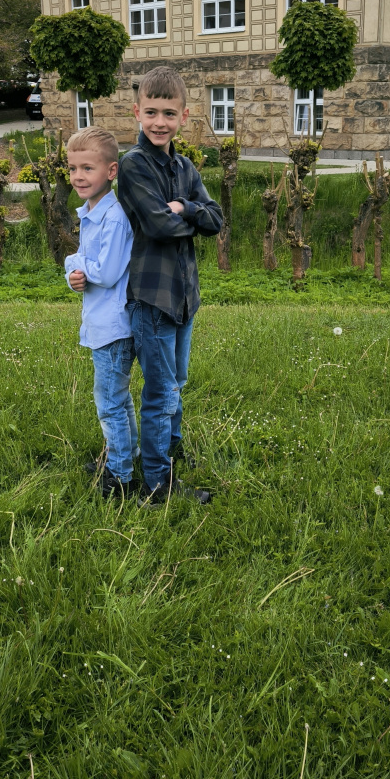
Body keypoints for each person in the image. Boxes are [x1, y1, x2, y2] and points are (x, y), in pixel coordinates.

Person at [116, 66, 222, 505]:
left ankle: (171, 454)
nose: (160, 122)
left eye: (170, 114)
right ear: (137, 112)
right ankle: (158, 484)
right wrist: (188, 214)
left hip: (184, 297)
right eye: (152, 113)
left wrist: (185, 207)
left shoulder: (185, 166)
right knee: (160, 393)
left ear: (185, 115)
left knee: (177, 382)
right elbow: (158, 227)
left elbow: (216, 220)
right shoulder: (133, 165)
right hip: (152, 299)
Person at [63, 127, 137, 498]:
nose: (78, 176)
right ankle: (125, 455)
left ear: (111, 171)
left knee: (109, 403)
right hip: (101, 322)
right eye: (72, 168)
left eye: (87, 168)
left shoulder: (115, 217)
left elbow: (105, 274)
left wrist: (71, 262)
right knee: (118, 399)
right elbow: (86, 272)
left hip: (113, 326)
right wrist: (73, 276)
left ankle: (120, 476)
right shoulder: (91, 212)